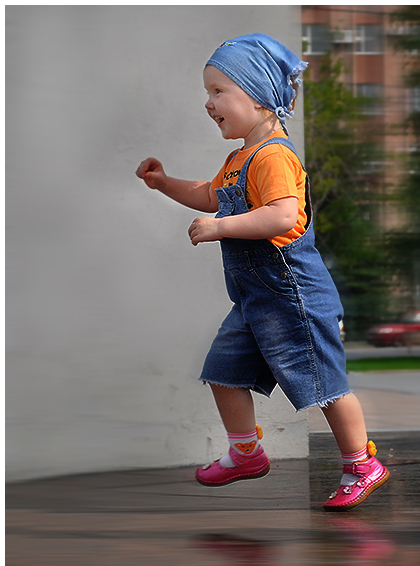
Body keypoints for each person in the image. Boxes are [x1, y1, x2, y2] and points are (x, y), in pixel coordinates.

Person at [136, 33, 388, 511]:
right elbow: (210, 195)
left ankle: (361, 462)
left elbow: (281, 217)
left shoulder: (273, 154)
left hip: (294, 296)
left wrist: (221, 228)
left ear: (257, 95)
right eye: (207, 93)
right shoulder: (239, 160)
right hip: (255, 301)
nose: (208, 104)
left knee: (325, 384)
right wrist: (164, 182)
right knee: (223, 372)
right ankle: (246, 452)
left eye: (218, 91)